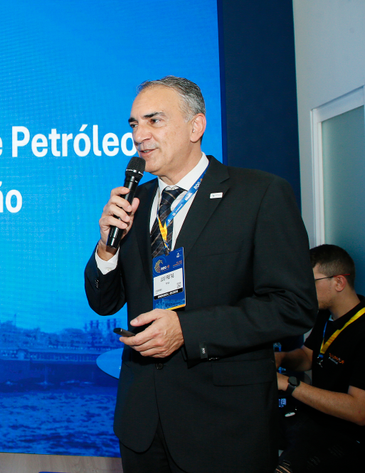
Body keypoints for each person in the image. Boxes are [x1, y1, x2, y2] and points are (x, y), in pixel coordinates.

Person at [84, 76, 317, 472]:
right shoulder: (134, 201)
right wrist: (107, 249)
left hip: (224, 428)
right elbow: (104, 303)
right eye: (134, 124)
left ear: (196, 126)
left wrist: (187, 330)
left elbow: (293, 306)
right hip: (143, 426)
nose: (139, 135)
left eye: (154, 120)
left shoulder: (259, 194)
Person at [274, 244, 365, 472]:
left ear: (339, 282)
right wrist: (281, 358)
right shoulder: (327, 314)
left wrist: (288, 384)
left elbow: (359, 411)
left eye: (311, 282)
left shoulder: (362, 331)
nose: (304, 289)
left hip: (346, 436)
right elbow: (308, 356)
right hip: (314, 419)